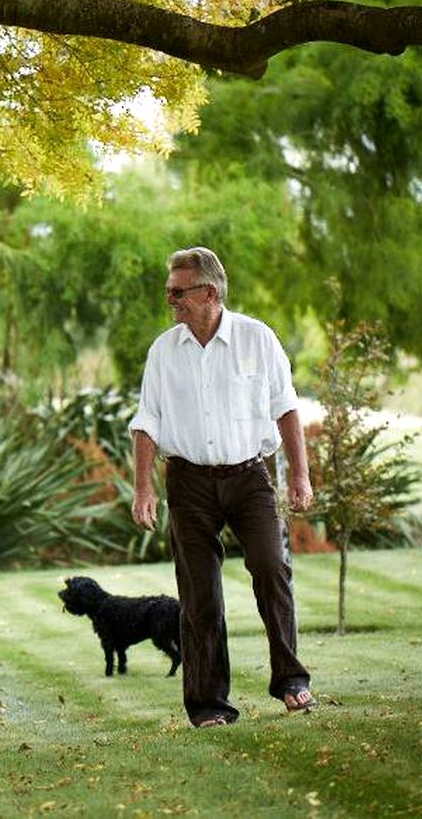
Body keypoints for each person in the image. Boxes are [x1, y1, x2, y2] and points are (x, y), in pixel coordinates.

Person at [129, 246, 316, 728]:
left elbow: (286, 409)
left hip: (250, 477)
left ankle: (291, 681)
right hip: (188, 481)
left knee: (272, 568)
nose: (170, 300)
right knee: (199, 594)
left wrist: (299, 474)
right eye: (169, 291)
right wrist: (144, 490)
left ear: (209, 292)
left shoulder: (258, 340)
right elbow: (146, 422)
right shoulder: (163, 351)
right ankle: (209, 705)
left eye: (178, 291)